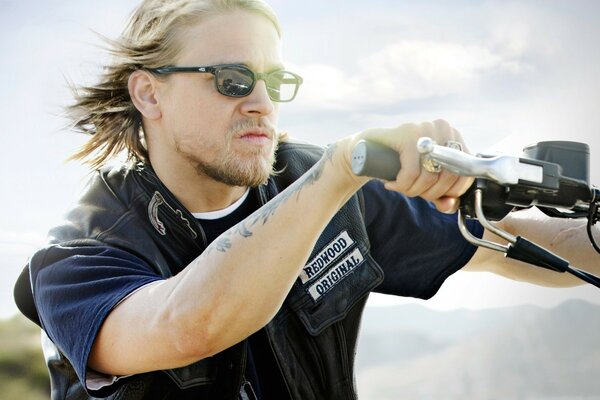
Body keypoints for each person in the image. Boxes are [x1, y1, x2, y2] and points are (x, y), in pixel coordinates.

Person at [14, 0, 598, 399]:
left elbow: (509, 246)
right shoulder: (75, 259)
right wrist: (343, 168)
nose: (262, 103)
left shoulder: (322, 189)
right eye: (233, 80)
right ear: (149, 92)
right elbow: (186, 325)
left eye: (274, 83)